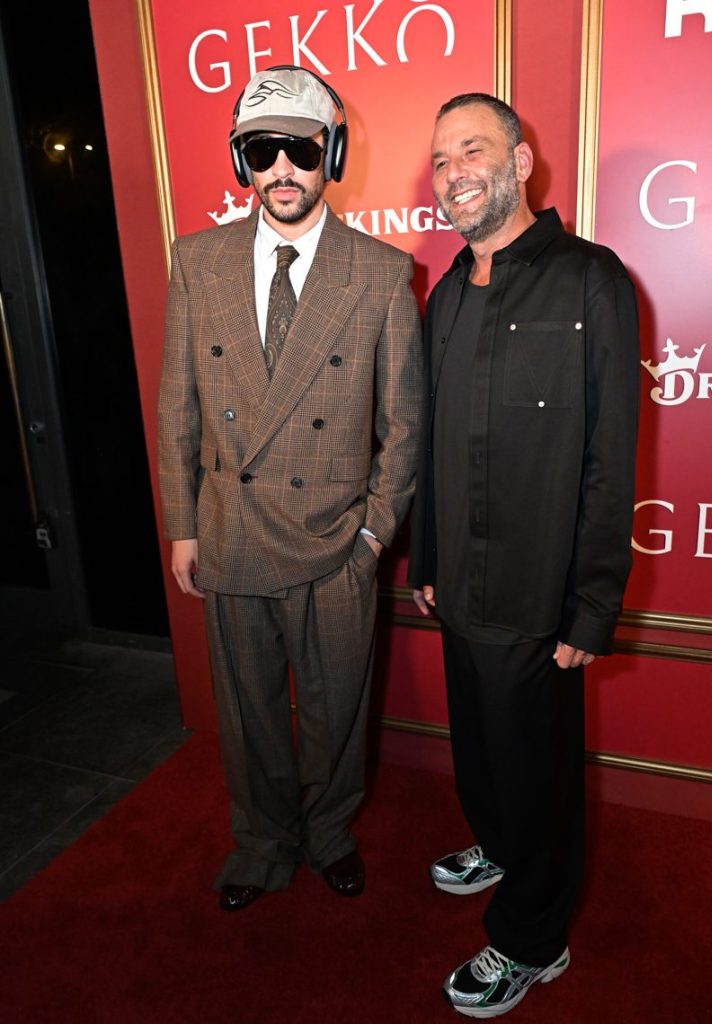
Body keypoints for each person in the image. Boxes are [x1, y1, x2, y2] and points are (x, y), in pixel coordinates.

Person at [158, 66, 422, 911]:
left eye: (299, 150)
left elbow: (404, 425)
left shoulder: (381, 274)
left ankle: (330, 832)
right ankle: (262, 839)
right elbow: (176, 407)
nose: (281, 169)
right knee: (249, 713)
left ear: (330, 155)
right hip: (230, 528)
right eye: (260, 150)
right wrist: (182, 525)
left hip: (333, 540)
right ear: (241, 161)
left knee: (337, 705)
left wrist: (373, 536)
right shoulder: (195, 262)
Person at [408, 93, 639, 1017]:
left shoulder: (591, 279)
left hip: (536, 596)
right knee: (480, 753)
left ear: (523, 158)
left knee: (537, 776)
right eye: (439, 158)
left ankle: (533, 942)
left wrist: (590, 607)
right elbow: (432, 444)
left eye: (472, 148)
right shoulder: (448, 292)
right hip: (455, 586)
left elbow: (608, 454)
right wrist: (425, 558)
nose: (453, 170)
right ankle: (495, 843)